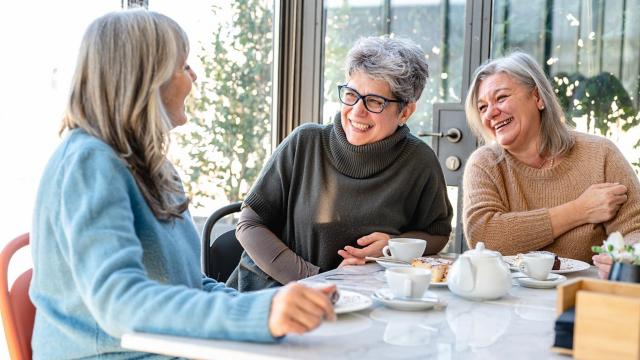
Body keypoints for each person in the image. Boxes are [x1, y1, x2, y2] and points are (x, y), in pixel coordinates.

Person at [29, 9, 335, 359]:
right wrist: (259, 315)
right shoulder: (89, 162)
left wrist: (276, 305)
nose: (194, 77)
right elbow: (119, 303)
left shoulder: (155, 169)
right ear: (146, 78)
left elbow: (190, 284)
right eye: (184, 66)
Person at [227, 36, 453, 292]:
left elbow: (437, 233)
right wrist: (317, 278)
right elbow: (249, 223)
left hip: (362, 302)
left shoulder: (418, 161)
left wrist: (393, 245)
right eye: (351, 94)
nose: (357, 111)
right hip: (271, 295)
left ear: (405, 112)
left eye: (375, 101)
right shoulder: (305, 142)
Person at [462, 52, 640, 279]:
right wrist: (580, 210)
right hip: (506, 296)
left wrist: (624, 257)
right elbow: (484, 235)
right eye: (482, 107)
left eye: (501, 97)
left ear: (538, 97)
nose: (491, 113)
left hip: (581, 295)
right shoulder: (484, 164)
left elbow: (635, 229)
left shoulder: (601, 154)